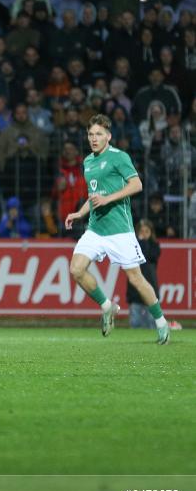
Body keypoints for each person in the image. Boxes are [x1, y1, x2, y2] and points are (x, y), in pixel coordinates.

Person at [63, 114, 170, 344]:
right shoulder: (88, 162)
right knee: (76, 269)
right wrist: (80, 213)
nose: (94, 138)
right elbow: (94, 196)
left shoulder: (119, 157)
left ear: (108, 136)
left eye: (99, 134)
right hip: (95, 229)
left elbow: (137, 184)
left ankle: (161, 321)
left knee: (136, 279)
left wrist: (108, 199)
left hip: (120, 230)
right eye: (91, 134)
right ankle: (107, 306)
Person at [127, 220, 160, 329]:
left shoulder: (155, 246)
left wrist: (143, 243)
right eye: (142, 231)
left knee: (152, 323)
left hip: (151, 288)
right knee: (135, 322)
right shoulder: (132, 246)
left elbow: (148, 256)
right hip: (134, 291)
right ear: (137, 233)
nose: (144, 234)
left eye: (147, 231)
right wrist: (139, 242)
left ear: (151, 233)